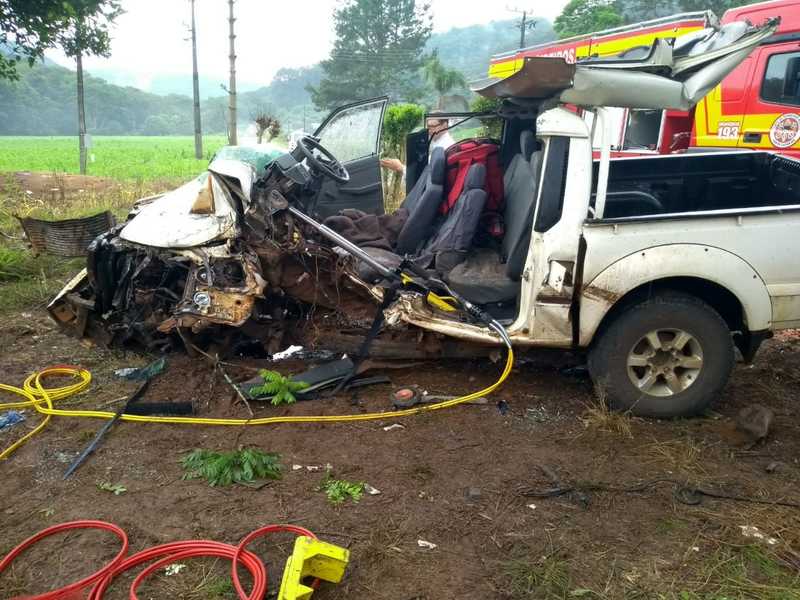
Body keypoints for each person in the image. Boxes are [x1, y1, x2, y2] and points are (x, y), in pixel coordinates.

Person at [380, 114, 455, 178]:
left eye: (432, 126)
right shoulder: (435, 140)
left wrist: (400, 167)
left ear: (445, 126)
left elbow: (426, 172)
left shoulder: (444, 146)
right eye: (428, 127)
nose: (429, 130)